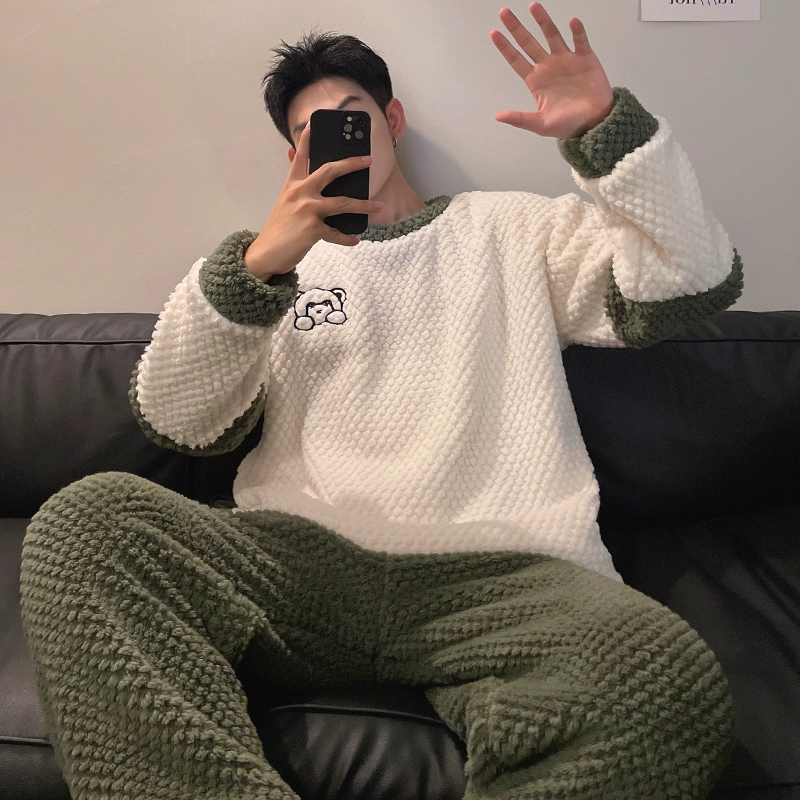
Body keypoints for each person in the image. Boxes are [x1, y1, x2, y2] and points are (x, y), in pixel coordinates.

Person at [20, 4, 742, 799]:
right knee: (85, 525)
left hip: (501, 578)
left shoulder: (511, 228)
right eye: (313, 132)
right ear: (293, 156)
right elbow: (176, 419)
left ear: (392, 120)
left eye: (352, 117)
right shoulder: (269, 269)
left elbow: (691, 282)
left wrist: (606, 132)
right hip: (302, 570)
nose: (339, 140)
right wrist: (260, 267)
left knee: (660, 672)